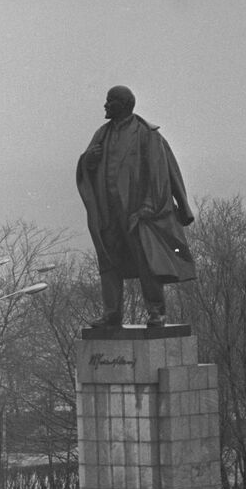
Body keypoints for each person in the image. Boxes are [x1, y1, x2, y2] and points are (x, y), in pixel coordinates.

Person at [76, 85, 195, 328]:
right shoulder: (102, 133)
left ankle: (156, 312)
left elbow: (159, 175)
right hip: (109, 211)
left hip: (138, 213)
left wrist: (147, 209)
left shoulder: (146, 134)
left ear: (123, 104)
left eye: (110, 101)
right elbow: (87, 165)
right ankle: (112, 314)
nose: (105, 105)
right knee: (109, 260)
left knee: (147, 261)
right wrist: (88, 161)